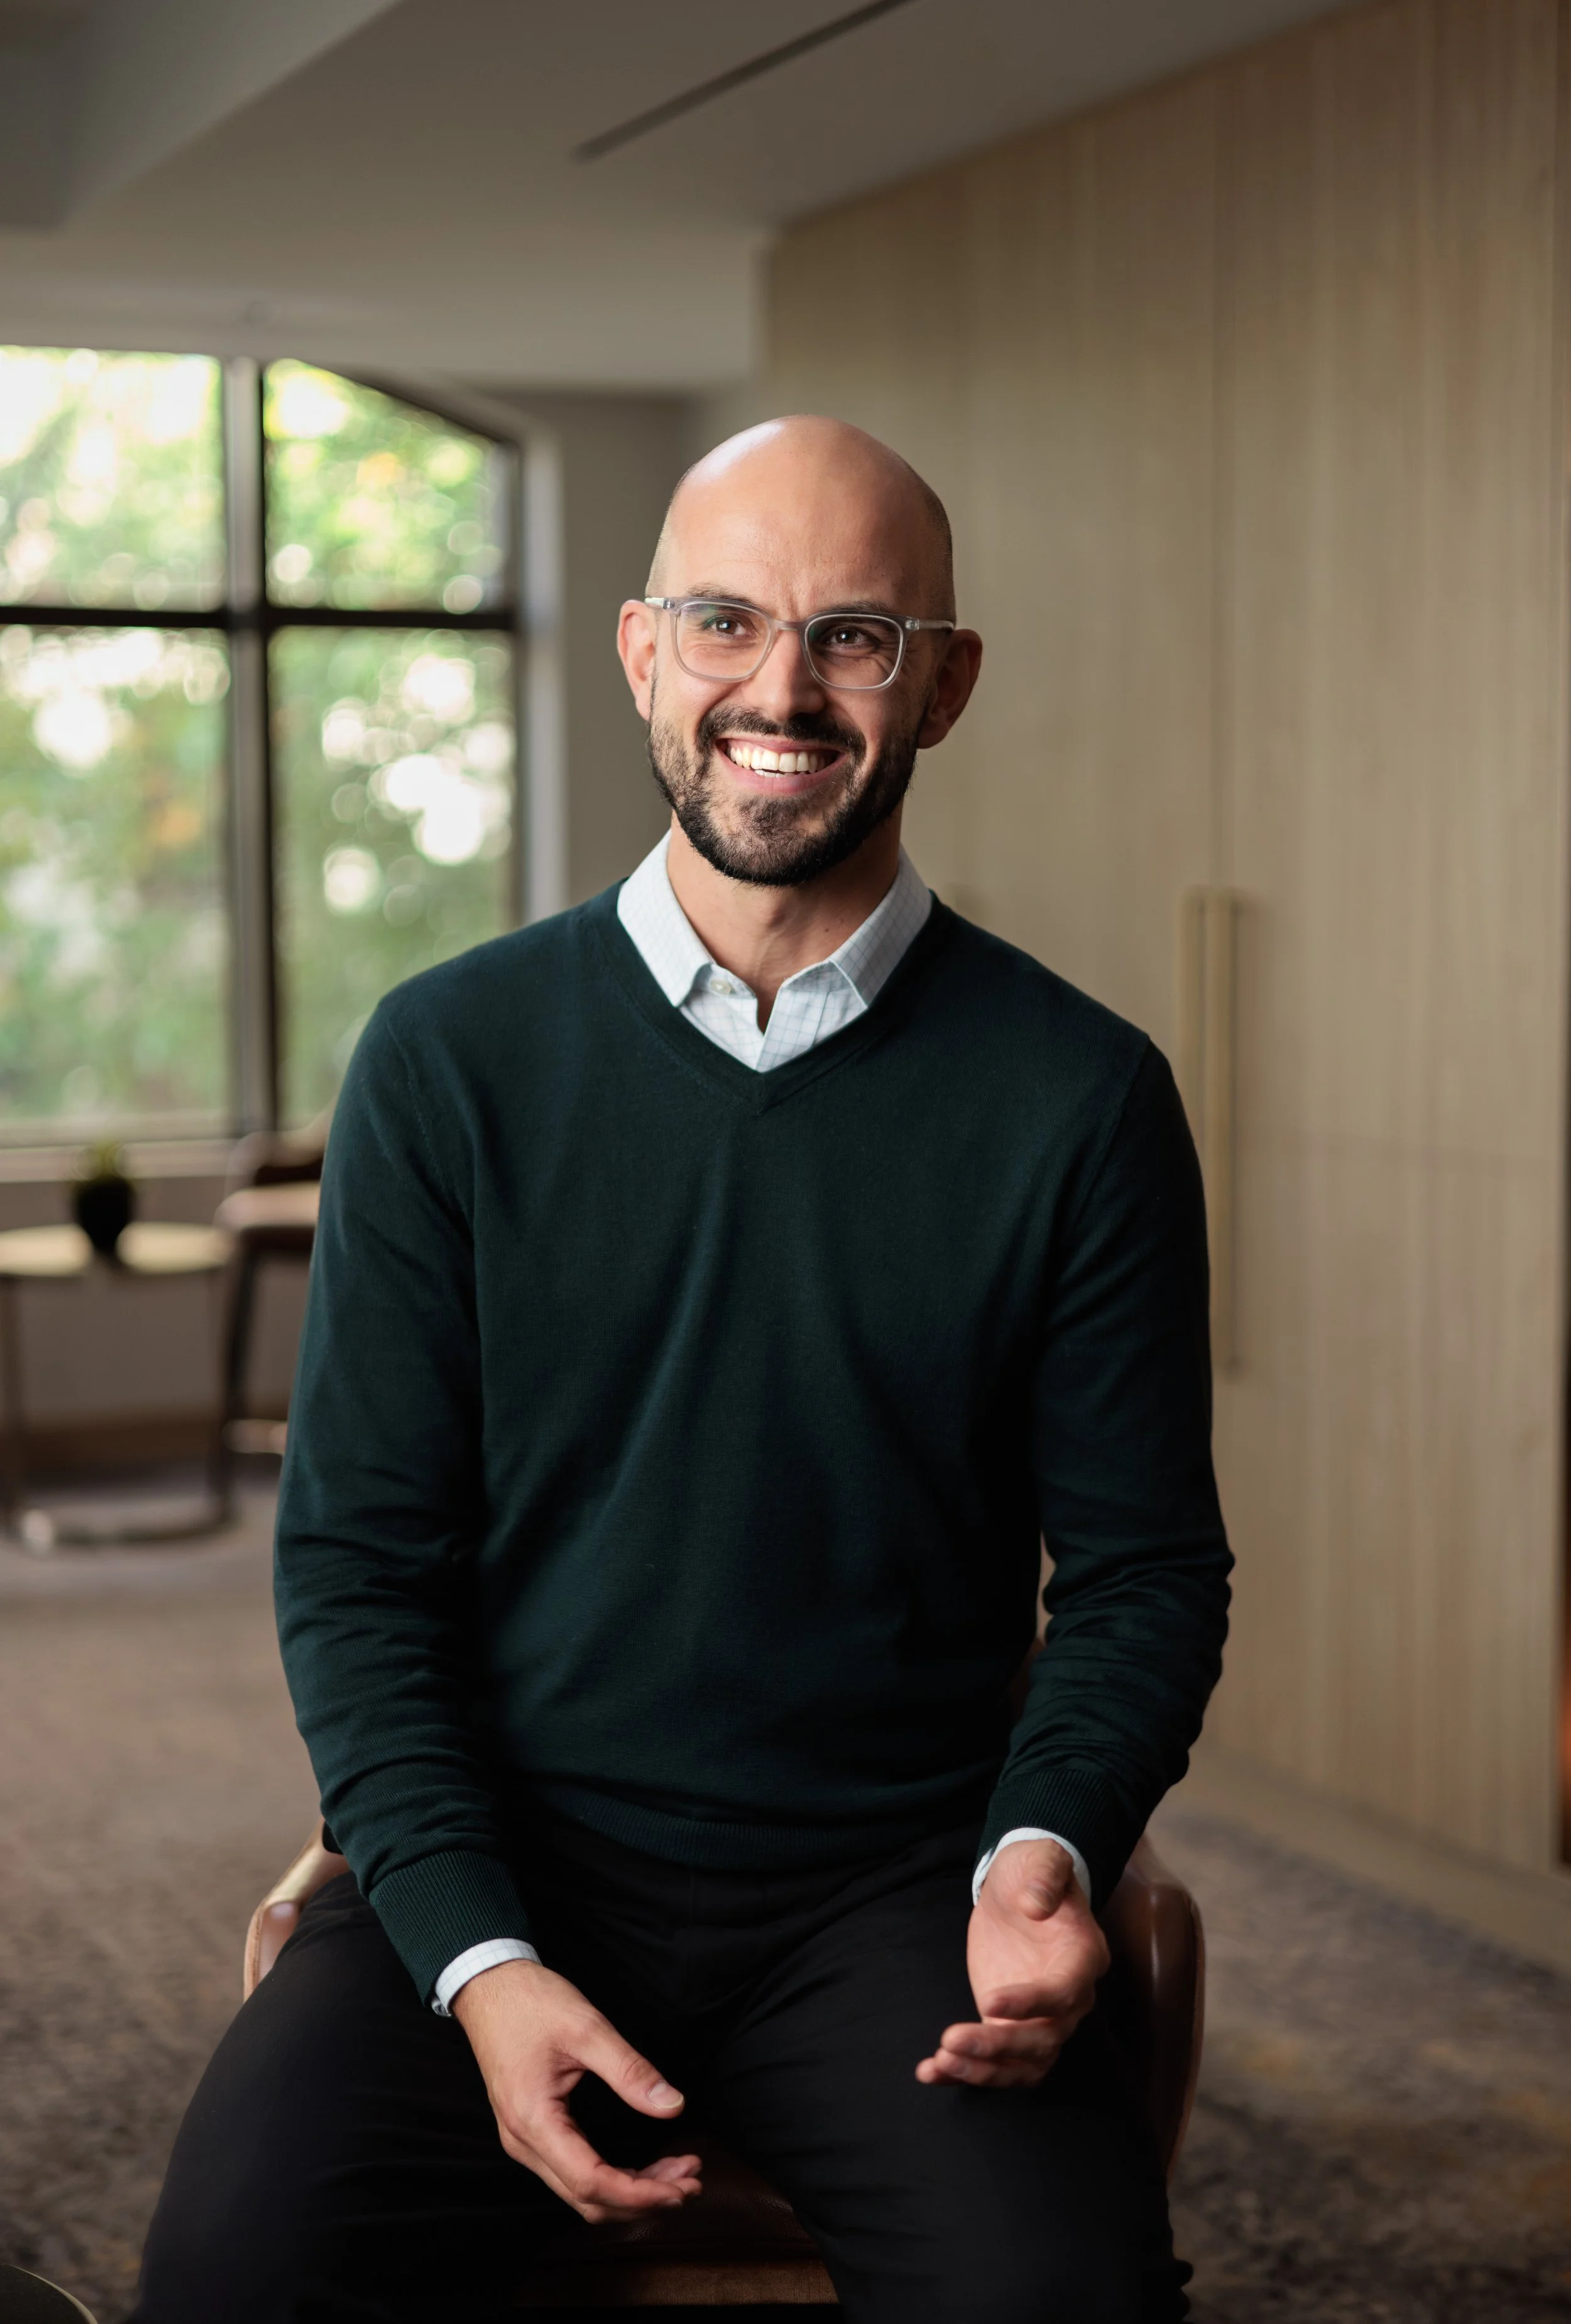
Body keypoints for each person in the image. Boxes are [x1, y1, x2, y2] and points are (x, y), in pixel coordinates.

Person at [133, 415, 1230, 2323]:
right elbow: (358, 1568)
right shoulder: (444, 1061)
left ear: (945, 685)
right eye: (724, 622)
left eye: (855, 636)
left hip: (897, 1892)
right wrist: (474, 1956)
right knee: (231, 2272)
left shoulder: (1081, 1097)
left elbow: (1142, 1574)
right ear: (642, 651)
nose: (779, 690)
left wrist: (1044, 1851)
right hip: (504, 1855)